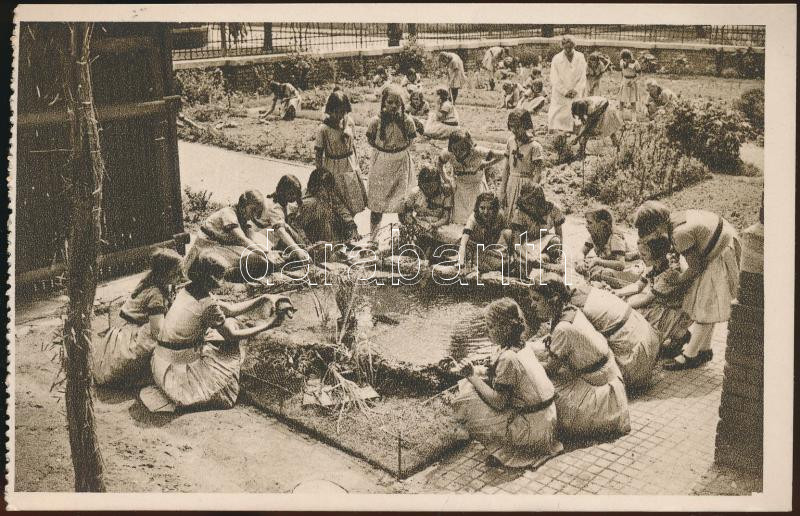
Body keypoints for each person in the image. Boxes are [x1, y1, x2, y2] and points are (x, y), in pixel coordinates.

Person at [149, 251, 293, 410]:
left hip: (160, 362)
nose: (223, 281)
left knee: (226, 324)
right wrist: (269, 324)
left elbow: (229, 309)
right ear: (211, 279)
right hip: (177, 374)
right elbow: (231, 335)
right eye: (220, 277)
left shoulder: (189, 289)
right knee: (231, 342)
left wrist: (263, 298)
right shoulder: (207, 304)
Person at [452, 298, 563, 468]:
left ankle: (509, 449)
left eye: (490, 326)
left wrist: (471, 376)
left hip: (533, 431)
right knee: (476, 385)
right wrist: (478, 372)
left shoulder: (507, 358)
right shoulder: (522, 346)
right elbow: (501, 375)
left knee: (467, 396)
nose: (487, 331)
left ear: (505, 328)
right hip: (546, 422)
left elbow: (499, 402)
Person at [633, 201, 741, 370]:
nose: (650, 237)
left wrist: (679, 279)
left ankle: (690, 356)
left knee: (705, 308)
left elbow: (695, 267)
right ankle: (703, 350)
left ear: (655, 227)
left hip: (720, 251)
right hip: (719, 245)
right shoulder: (673, 221)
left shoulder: (679, 233)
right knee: (706, 304)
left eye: (649, 233)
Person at [530, 274, 632, 438]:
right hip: (611, 386)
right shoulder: (571, 310)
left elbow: (550, 369)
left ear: (553, 299)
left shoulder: (563, 328)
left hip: (603, 401)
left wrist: (527, 364)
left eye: (536, 299)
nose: (532, 305)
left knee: (534, 386)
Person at [546, 275, 661, 390]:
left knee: (574, 361)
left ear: (554, 298)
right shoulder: (584, 289)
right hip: (649, 340)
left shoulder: (574, 310)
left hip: (635, 359)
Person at [92, 249, 184, 386]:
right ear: (164, 273)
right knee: (164, 333)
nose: (181, 276)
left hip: (122, 330)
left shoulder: (151, 281)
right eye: (176, 272)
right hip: (128, 340)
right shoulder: (155, 294)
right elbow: (156, 331)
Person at [613, 236, 692, 357]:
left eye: (644, 254)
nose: (641, 257)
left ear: (655, 254)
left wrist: (622, 306)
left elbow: (646, 300)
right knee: (629, 301)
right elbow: (638, 286)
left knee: (637, 315)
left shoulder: (668, 274)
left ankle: (680, 334)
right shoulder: (655, 265)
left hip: (674, 310)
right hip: (661, 303)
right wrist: (618, 293)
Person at [366, 85, 418, 241]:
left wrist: (399, 151)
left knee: (402, 204)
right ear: (383, 103)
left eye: (397, 102)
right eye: (389, 102)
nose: (393, 106)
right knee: (378, 204)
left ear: (402, 103)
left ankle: (405, 238)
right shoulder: (376, 121)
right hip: (381, 164)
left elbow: (411, 139)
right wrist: (383, 151)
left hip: (401, 164)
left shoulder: (407, 121)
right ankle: (373, 238)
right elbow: (370, 139)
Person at [185, 189, 273, 282]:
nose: (254, 214)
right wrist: (264, 253)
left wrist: (267, 251)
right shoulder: (228, 213)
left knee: (260, 249)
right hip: (205, 247)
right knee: (246, 259)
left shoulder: (242, 216)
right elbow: (242, 239)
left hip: (220, 246)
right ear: (243, 205)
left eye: (257, 211)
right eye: (253, 210)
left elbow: (251, 237)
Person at [314, 88, 368, 217]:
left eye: (342, 112)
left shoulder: (349, 123)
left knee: (351, 200)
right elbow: (318, 153)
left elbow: (352, 146)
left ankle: (350, 223)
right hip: (333, 167)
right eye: (335, 112)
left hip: (349, 165)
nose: (339, 115)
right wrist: (319, 173)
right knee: (335, 201)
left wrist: (357, 165)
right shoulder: (323, 129)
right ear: (329, 111)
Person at [437, 130, 503, 225]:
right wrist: (446, 178)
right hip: (460, 187)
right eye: (455, 149)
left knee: (476, 217)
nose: (458, 152)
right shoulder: (448, 153)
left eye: (462, 149)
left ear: (469, 146)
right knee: (459, 219)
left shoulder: (477, 152)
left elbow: (502, 155)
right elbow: (439, 164)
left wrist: (487, 164)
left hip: (476, 186)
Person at [290, 167, 359, 249]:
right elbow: (296, 226)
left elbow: (340, 207)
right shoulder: (310, 203)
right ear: (318, 187)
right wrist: (307, 243)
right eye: (327, 188)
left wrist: (352, 227)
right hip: (314, 241)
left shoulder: (326, 195)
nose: (330, 192)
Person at [575, 206, 641, 288]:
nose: (586, 226)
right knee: (580, 265)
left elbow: (621, 264)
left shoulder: (615, 237)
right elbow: (582, 251)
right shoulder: (595, 236)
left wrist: (598, 261)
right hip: (609, 263)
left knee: (604, 273)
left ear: (602, 225)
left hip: (628, 265)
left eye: (590, 223)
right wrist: (580, 261)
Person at [500, 109, 546, 221]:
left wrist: (531, 193)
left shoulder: (535, 146)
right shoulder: (511, 141)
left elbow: (538, 173)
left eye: (517, 127)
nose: (514, 130)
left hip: (526, 186)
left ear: (525, 126)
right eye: (511, 127)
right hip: (511, 184)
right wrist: (502, 190)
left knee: (524, 216)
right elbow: (506, 168)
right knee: (509, 216)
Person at [398, 166, 454, 256]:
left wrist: (434, 225)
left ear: (438, 183)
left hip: (439, 224)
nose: (429, 190)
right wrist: (411, 221)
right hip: (419, 223)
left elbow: (446, 217)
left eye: (432, 186)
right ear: (421, 184)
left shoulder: (445, 192)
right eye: (426, 187)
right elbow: (405, 212)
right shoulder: (415, 193)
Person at [510, 184, 565, 270]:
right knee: (521, 265)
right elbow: (517, 243)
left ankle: (545, 259)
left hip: (544, 241)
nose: (527, 205)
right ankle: (539, 260)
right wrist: (528, 257)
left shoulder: (553, 210)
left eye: (530, 202)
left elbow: (559, 234)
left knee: (555, 241)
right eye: (525, 202)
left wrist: (559, 253)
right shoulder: (520, 212)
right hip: (526, 244)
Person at [457, 193, 514, 275]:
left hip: (488, 250)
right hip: (472, 249)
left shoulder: (500, 216)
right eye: (482, 208)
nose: (486, 212)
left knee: (508, 233)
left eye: (490, 208)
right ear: (477, 207)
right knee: (497, 264)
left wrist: (511, 253)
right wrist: (461, 262)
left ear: (495, 209)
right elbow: (463, 242)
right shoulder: (473, 218)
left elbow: (509, 233)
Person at [547, 36, 587, 133]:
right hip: (561, 93)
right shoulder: (557, 58)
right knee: (558, 115)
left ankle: (575, 131)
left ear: (574, 46)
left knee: (575, 112)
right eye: (566, 47)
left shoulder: (580, 57)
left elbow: (583, 76)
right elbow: (554, 77)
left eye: (570, 47)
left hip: (575, 91)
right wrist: (564, 91)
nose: (568, 50)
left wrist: (576, 90)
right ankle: (557, 132)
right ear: (562, 46)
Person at [618, 49, 641, 116]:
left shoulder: (636, 63)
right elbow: (623, 67)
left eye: (628, 58)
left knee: (633, 101)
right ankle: (620, 116)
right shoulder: (622, 62)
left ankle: (634, 118)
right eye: (624, 59)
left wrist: (633, 81)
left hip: (632, 81)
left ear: (630, 57)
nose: (626, 60)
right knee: (622, 100)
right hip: (625, 81)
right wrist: (622, 81)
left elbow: (639, 74)